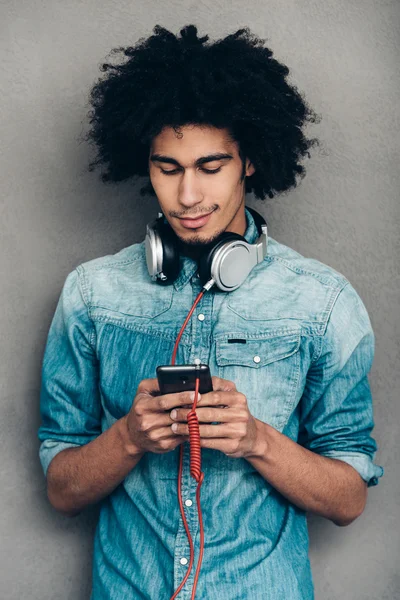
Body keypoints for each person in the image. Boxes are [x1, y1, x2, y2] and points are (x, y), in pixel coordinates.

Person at [38, 24, 384, 600]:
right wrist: (127, 437)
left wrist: (257, 441)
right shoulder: (92, 294)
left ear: (249, 161)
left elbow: (348, 500)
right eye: (168, 169)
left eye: (211, 166)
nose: (189, 196)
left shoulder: (321, 301)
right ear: (143, 166)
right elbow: (61, 490)